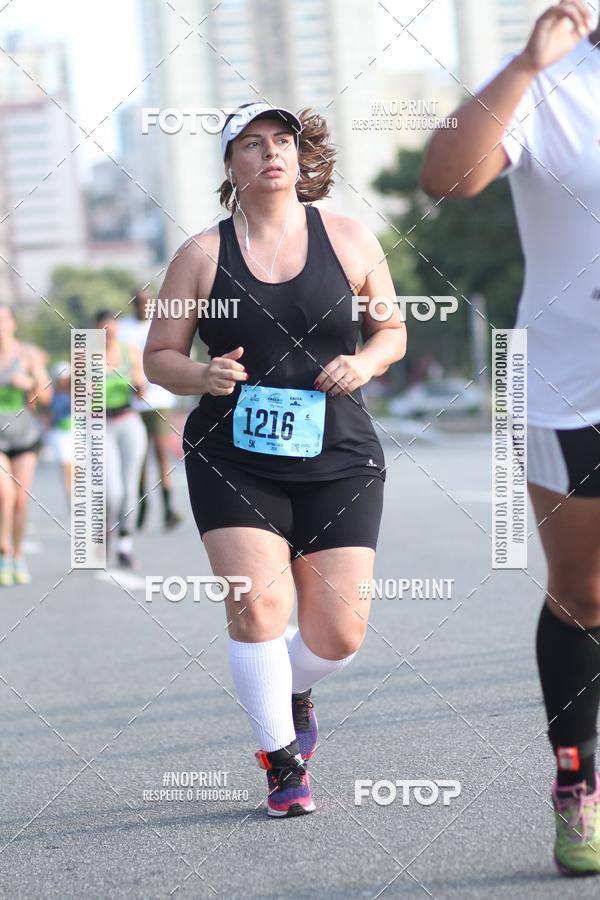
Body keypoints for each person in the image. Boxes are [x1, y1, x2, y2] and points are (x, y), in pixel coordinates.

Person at [144, 102, 406, 817]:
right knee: (256, 608)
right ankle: (280, 761)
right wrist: (203, 376)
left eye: (282, 141)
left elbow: (393, 333)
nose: (271, 154)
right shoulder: (201, 254)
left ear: (299, 154)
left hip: (340, 454)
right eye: (253, 145)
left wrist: (366, 363)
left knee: (339, 633)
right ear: (230, 167)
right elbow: (160, 357)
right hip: (234, 456)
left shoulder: (350, 237)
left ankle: (289, 686)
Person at [421, 0, 600, 876]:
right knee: (586, 592)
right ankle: (577, 785)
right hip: (571, 382)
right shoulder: (549, 82)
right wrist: (528, 64)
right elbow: (446, 176)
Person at [119, 290, 182, 531]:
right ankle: (143, 505)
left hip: (160, 399)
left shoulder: (162, 323)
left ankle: (167, 509)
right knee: (139, 458)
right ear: (133, 304)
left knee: (161, 453)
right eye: (139, 302)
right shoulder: (123, 328)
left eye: (147, 302)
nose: (143, 306)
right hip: (133, 402)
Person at [0, 305, 51, 586]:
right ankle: (3, 552)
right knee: (3, 494)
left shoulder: (28, 355)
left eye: (3, 320)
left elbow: (46, 398)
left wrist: (29, 382)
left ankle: (18, 554)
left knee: (20, 499)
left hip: (24, 437)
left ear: (12, 324)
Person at [95, 310, 147, 569]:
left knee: (129, 490)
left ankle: (125, 545)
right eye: (103, 329)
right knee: (111, 491)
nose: (109, 333)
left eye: (112, 328)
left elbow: (141, 392)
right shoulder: (87, 356)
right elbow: (73, 395)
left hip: (128, 421)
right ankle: (105, 533)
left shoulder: (131, 352)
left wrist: (139, 384)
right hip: (101, 424)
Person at [47, 361, 72, 501]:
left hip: (79, 432)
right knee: (67, 466)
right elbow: (49, 413)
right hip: (61, 434)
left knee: (78, 468)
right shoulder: (53, 394)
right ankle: (71, 496)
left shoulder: (76, 392)